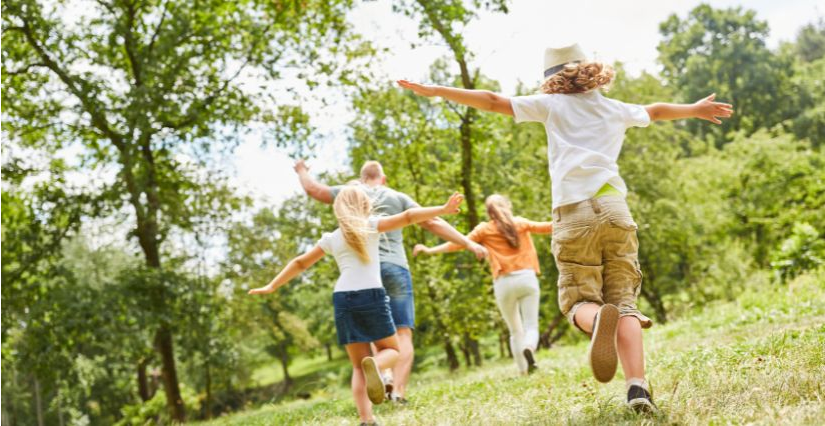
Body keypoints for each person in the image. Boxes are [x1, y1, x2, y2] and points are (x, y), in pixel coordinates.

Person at [398, 43, 733, 412]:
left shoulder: (552, 106)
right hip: (615, 209)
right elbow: (654, 111)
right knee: (624, 303)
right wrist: (696, 109)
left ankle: (595, 322)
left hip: (574, 213)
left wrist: (438, 90)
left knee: (578, 300)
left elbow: (493, 100)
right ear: (589, 71)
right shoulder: (612, 107)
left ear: (552, 80)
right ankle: (637, 388)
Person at [248, 186, 465, 425]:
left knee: (358, 367)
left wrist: (272, 285)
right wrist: (443, 209)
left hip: (342, 298)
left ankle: (366, 419)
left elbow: (300, 263)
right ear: (365, 206)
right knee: (392, 351)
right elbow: (409, 217)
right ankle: (378, 365)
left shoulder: (331, 238)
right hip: (371, 295)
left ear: (338, 209)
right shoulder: (371, 225)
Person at [294, 159, 486, 403]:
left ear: (362, 178)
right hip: (395, 268)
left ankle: (383, 374)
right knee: (402, 333)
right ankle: (398, 392)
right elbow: (431, 221)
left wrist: (301, 170)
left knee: (378, 332)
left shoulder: (349, 193)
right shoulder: (396, 196)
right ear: (382, 179)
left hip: (364, 273)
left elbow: (314, 190)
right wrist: (468, 243)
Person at [412, 194, 552, 375]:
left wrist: (430, 250)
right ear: (507, 206)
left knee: (514, 330)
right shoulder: (520, 223)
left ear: (489, 212)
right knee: (530, 326)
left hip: (503, 283)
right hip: (527, 278)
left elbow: (458, 243)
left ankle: (523, 371)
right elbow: (549, 227)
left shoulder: (484, 229)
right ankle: (529, 347)